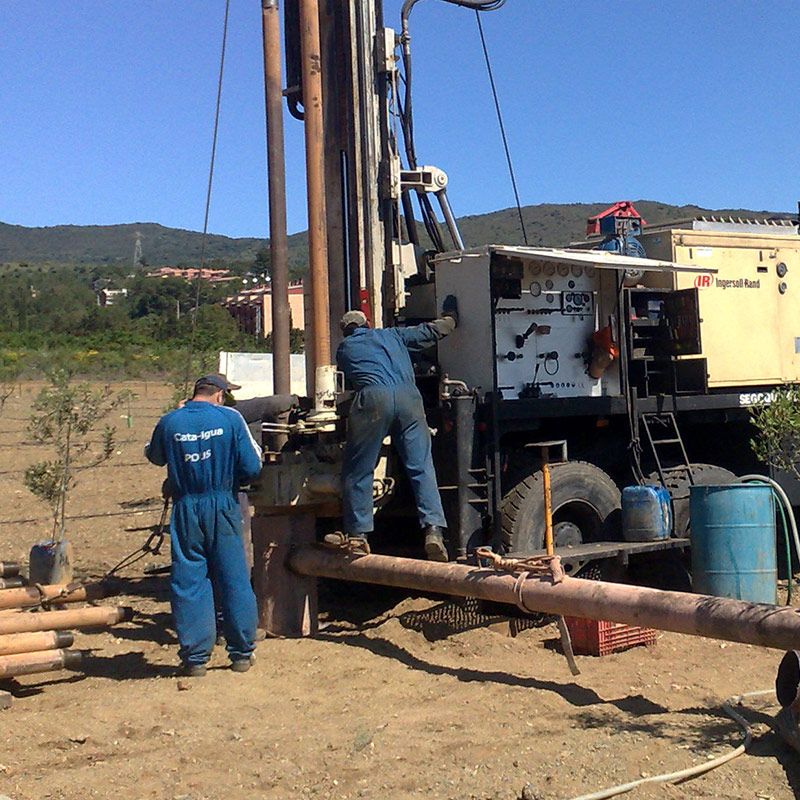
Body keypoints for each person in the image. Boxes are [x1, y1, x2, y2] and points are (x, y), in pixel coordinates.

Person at [145, 373, 262, 677]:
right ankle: (240, 654)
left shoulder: (170, 420)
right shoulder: (231, 419)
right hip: (222, 504)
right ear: (220, 394)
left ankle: (196, 659)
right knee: (233, 577)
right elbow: (252, 465)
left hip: (186, 508)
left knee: (189, 580)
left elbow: (154, 455)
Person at [325, 298, 459, 560]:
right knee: (421, 466)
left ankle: (358, 535)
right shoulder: (393, 335)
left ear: (346, 331)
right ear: (369, 324)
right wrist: (451, 317)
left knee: (359, 469)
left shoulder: (345, 348)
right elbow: (431, 331)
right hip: (410, 398)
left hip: (373, 400)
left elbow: (348, 383)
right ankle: (433, 531)